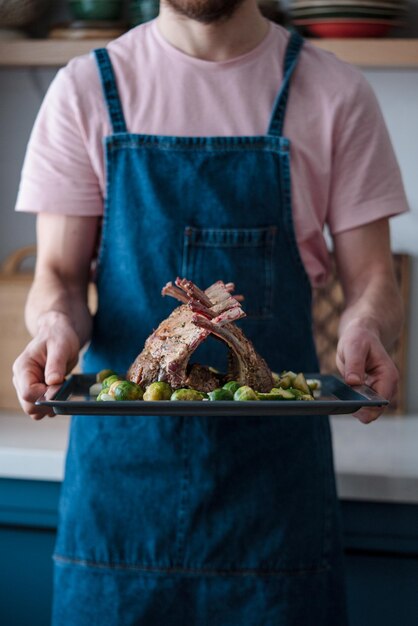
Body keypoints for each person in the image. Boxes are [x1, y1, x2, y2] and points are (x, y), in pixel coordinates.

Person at [13, 0, 408, 624]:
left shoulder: (335, 91)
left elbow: (375, 279)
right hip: (121, 496)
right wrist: (54, 326)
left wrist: (365, 326)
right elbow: (58, 277)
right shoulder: (86, 88)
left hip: (275, 504)